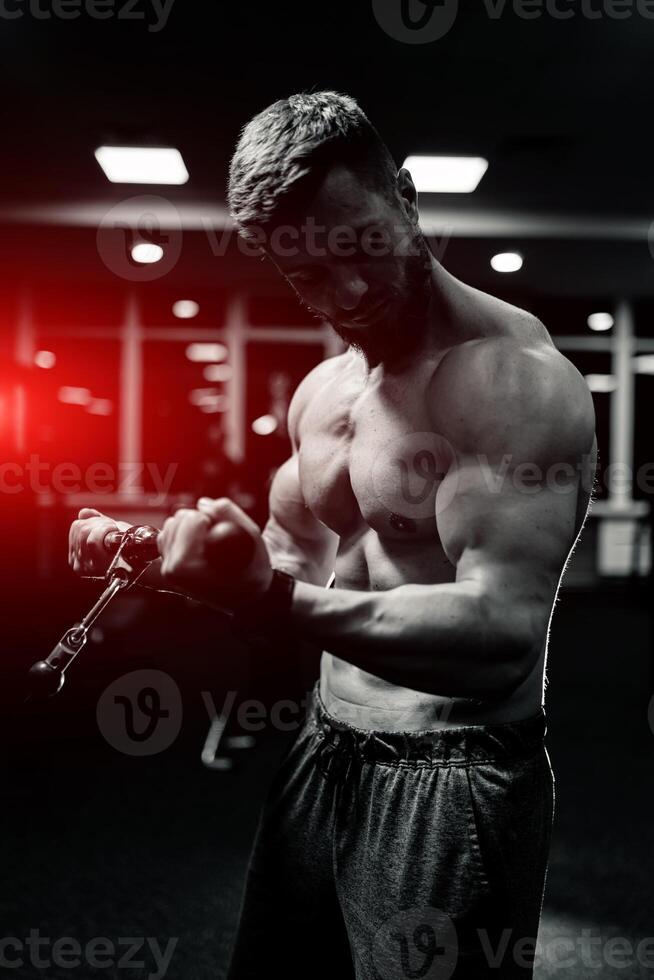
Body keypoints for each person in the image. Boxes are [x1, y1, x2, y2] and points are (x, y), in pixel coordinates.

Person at [69, 92, 597, 979]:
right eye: (308, 275)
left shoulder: (510, 382)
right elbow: (292, 562)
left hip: (453, 769)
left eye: (360, 244)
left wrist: (269, 596)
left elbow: (499, 635)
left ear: (406, 196)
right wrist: (163, 556)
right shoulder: (324, 396)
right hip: (323, 744)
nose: (346, 292)